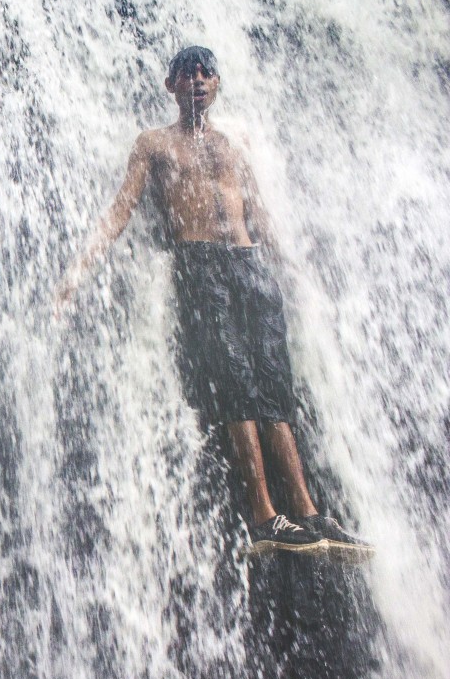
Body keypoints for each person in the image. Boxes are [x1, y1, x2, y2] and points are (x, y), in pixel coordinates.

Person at [57, 46, 366, 550]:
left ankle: (308, 513)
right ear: (170, 85)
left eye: (206, 73)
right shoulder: (154, 144)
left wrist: (295, 272)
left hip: (251, 263)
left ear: (217, 84)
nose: (197, 81)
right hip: (200, 264)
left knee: (275, 387)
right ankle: (265, 517)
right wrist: (78, 270)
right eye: (186, 73)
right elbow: (120, 210)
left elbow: (260, 213)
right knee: (236, 382)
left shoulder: (233, 143)